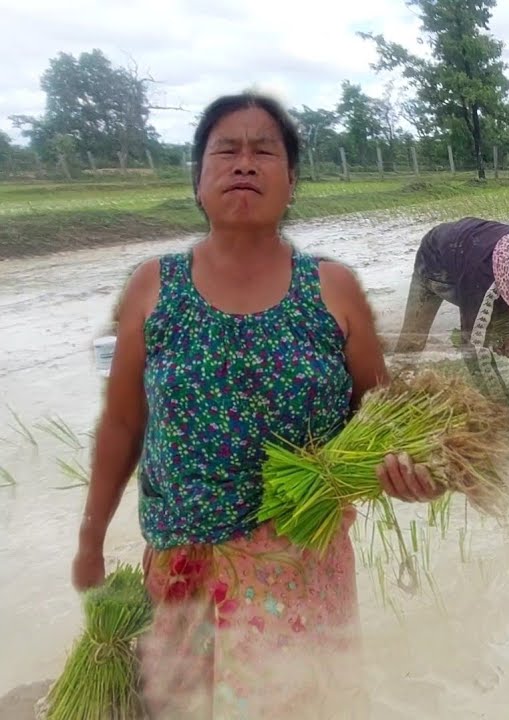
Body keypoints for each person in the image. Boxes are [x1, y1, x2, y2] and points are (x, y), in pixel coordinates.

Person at [70, 92, 441, 718]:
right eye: (226, 151)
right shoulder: (151, 286)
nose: (245, 163)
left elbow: (380, 421)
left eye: (264, 150)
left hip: (301, 567)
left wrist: (408, 475)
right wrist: (91, 540)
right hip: (182, 566)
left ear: (291, 182)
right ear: (197, 181)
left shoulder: (333, 287)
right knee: (186, 707)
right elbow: (124, 422)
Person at [393, 218, 509, 382]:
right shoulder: (478, 280)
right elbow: (473, 346)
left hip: (472, 246)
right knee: (413, 338)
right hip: (435, 260)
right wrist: (498, 405)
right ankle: (396, 385)